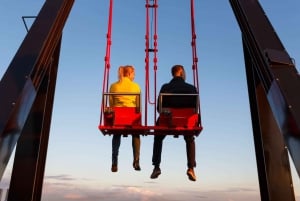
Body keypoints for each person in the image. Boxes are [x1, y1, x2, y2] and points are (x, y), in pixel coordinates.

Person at [150, 65, 198, 181]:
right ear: (181, 73)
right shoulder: (191, 88)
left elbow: (158, 108)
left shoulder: (165, 87)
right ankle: (191, 168)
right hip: (185, 121)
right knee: (189, 137)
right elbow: (195, 109)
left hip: (167, 120)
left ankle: (156, 166)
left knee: (158, 137)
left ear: (173, 74)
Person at [109, 65, 141, 172]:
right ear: (130, 74)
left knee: (116, 134)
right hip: (131, 117)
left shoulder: (113, 86)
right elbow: (138, 106)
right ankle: (136, 160)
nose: (134, 76)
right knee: (136, 133)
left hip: (117, 117)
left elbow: (111, 103)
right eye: (134, 74)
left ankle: (114, 161)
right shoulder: (136, 86)